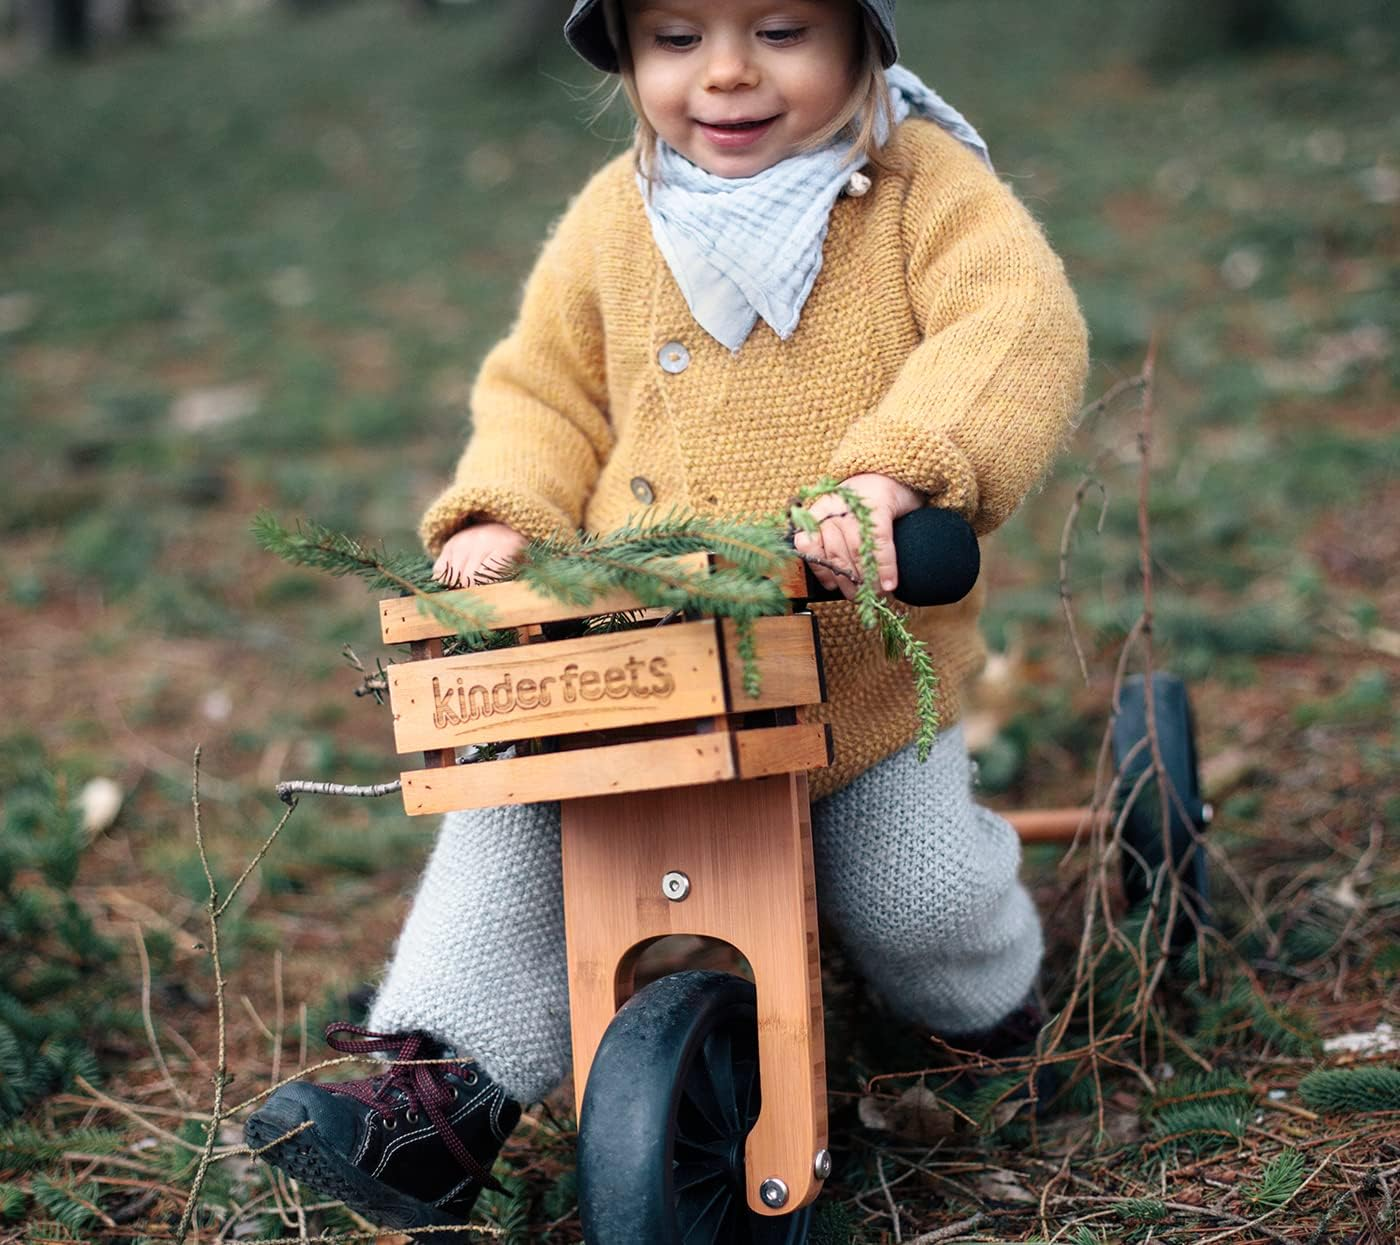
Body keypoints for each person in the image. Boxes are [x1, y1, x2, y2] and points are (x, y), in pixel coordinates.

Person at [245, 0, 1089, 1233]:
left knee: (912, 893)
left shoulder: (920, 187)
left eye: (782, 31)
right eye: (678, 38)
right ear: (629, 59)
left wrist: (894, 472)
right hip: (633, 673)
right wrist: (502, 513)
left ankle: (992, 1032)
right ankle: (432, 1108)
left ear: (862, 44)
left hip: (847, 676)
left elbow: (1012, 327)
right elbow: (544, 387)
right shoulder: (613, 217)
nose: (728, 75)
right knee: (513, 839)